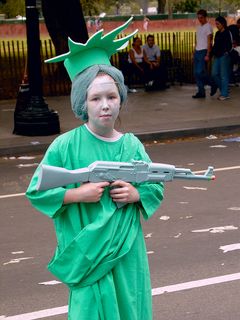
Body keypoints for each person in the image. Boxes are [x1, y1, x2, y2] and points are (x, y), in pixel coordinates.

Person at [26, 19, 164, 320]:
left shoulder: (131, 145)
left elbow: (156, 184)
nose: (105, 106)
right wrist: (78, 194)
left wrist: (135, 194)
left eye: (112, 97)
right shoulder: (65, 146)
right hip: (88, 253)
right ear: (82, 103)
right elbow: (37, 190)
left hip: (127, 256)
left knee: (131, 305)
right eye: (95, 98)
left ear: (121, 99)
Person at [192, 9, 213, 99]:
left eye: (201, 18)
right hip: (197, 51)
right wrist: (194, 51)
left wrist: (208, 54)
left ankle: (213, 83)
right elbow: (197, 41)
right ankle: (201, 92)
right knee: (196, 73)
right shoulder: (198, 27)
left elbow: (209, 42)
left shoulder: (208, 27)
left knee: (199, 72)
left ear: (205, 17)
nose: (200, 19)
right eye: (198, 18)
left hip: (204, 51)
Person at [211, 16, 232, 101]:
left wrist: (226, 52)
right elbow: (215, 45)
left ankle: (224, 94)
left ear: (223, 24)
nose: (216, 25)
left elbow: (230, 45)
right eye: (216, 24)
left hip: (224, 56)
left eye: (218, 24)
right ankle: (225, 89)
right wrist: (212, 54)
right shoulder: (217, 33)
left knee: (224, 75)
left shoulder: (227, 32)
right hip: (217, 56)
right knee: (214, 74)